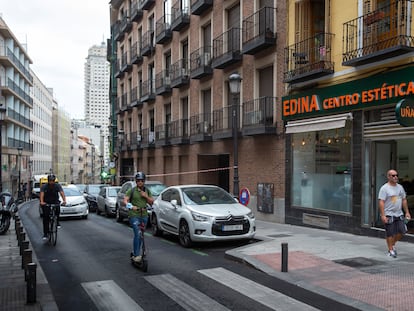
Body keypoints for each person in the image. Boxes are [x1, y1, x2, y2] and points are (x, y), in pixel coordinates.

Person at [378, 169, 411, 258]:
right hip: (389, 214)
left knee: (402, 231)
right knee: (390, 233)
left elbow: (404, 200)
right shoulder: (384, 188)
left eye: (396, 175)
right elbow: (381, 202)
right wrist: (383, 215)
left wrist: (407, 212)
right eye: (393, 175)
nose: (395, 177)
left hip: (399, 214)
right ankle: (391, 250)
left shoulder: (400, 187)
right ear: (388, 177)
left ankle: (392, 244)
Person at [124, 171, 153, 263]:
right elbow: (125, 200)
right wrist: (131, 206)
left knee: (141, 236)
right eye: (138, 180)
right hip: (134, 215)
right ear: (136, 181)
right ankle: (136, 255)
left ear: (144, 181)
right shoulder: (132, 190)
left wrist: (146, 196)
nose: (140, 182)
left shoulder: (147, 190)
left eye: (142, 180)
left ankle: (136, 251)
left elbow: (151, 202)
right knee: (138, 233)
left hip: (144, 215)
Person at [39, 174, 66, 241]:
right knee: (45, 217)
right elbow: (42, 194)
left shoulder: (57, 186)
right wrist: (42, 202)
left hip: (55, 200)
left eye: (52, 181)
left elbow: (61, 193)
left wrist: (64, 200)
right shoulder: (44, 186)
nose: (51, 182)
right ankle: (45, 233)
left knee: (58, 208)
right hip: (46, 202)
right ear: (48, 181)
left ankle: (57, 221)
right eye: (50, 181)